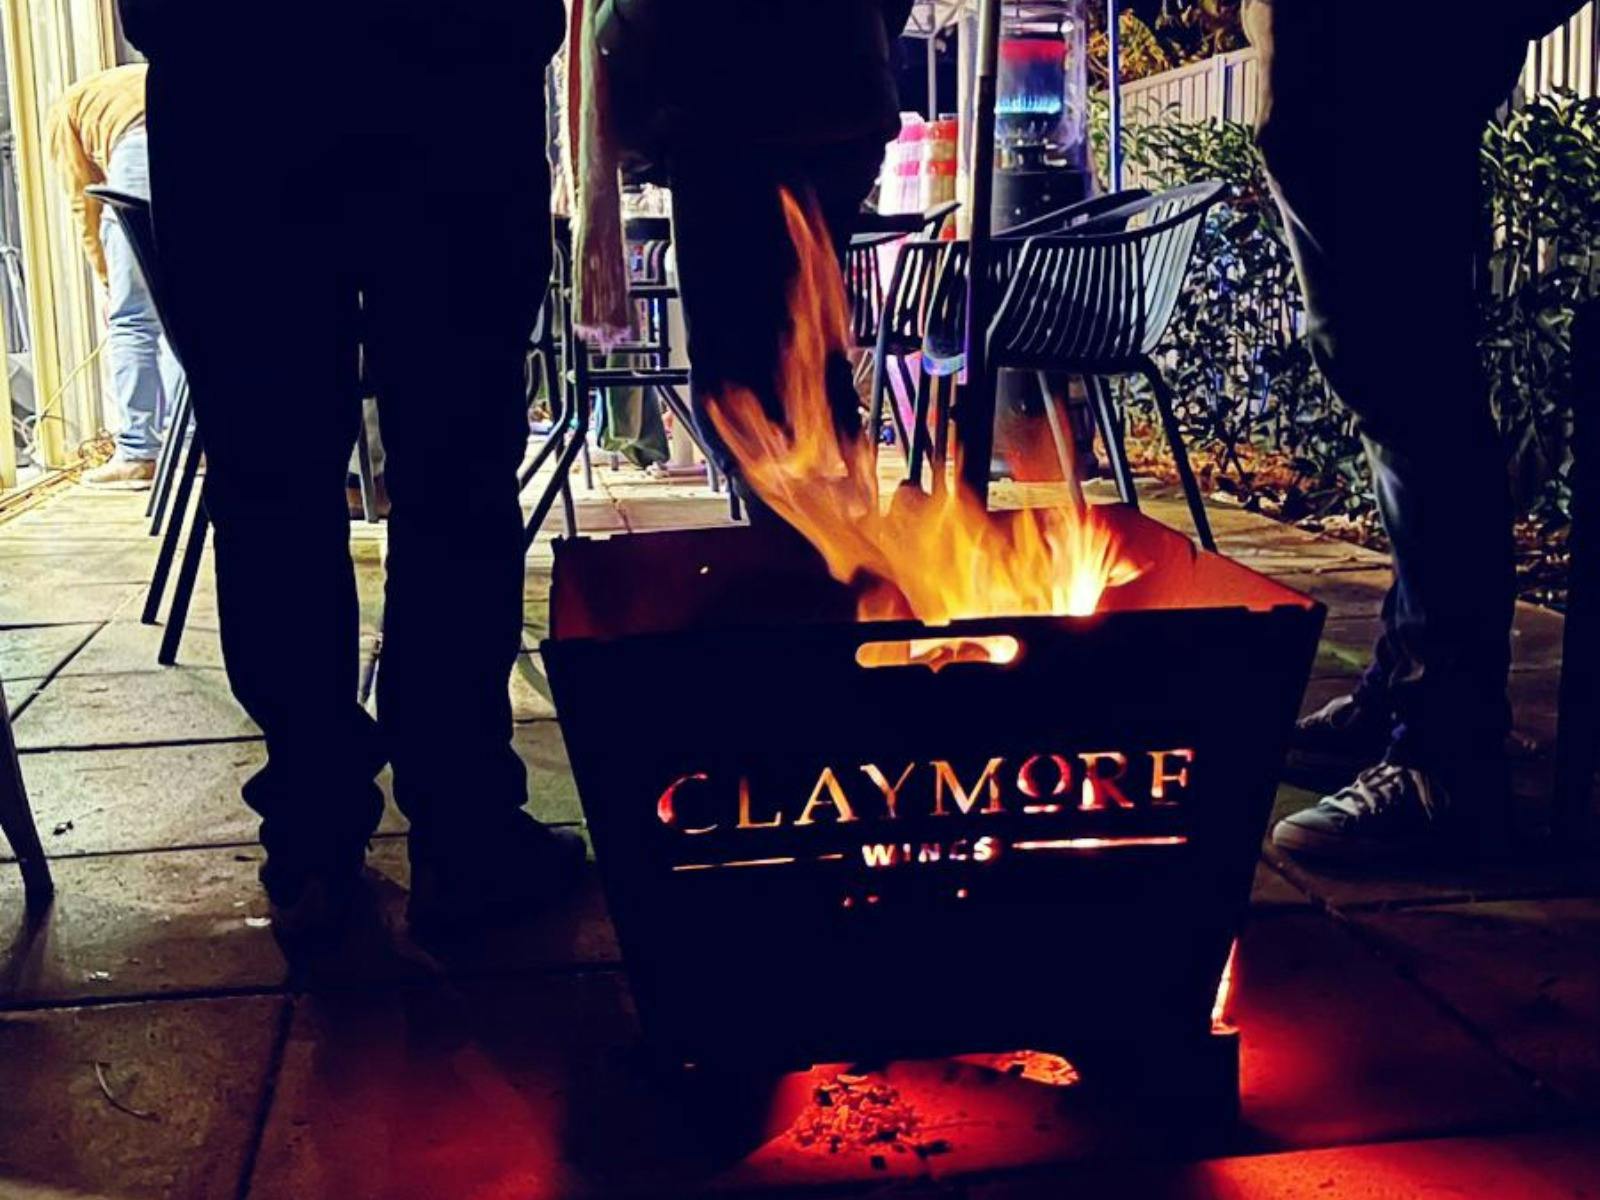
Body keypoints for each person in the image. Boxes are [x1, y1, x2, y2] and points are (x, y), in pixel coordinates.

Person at [120, 1, 582, 936]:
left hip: (231, 79)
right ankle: (464, 826)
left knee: (269, 480)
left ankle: (313, 834)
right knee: (458, 473)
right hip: (452, 72)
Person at [1245, 1, 1586, 861]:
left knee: (1414, 394)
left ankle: (1445, 757)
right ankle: (1411, 687)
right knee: (1390, 387)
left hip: (1390, 65)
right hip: (1348, 70)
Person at [594, 0, 915, 494]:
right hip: (845, 101)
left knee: (736, 361)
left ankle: (784, 519)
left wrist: (609, 36)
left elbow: (639, 17)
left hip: (723, 113)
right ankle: (843, 508)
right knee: (811, 333)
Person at [47, 64, 182, 490]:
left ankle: (139, 453)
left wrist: (108, 280)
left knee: (132, 319)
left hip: (141, 152)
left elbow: (83, 200)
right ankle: (193, 444)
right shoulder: (139, 78)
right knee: (186, 314)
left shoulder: (65, 111)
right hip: (204, 149)